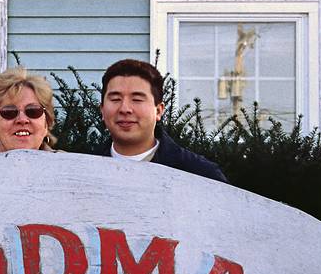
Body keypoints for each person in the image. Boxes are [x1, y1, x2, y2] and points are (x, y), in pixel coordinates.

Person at [97, 58, 227, 182]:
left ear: (158, 110)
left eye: (137, 100)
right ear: (102, 110)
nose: (124, 109)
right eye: (115, 99)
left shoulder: (200, 174)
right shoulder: (82, 169)